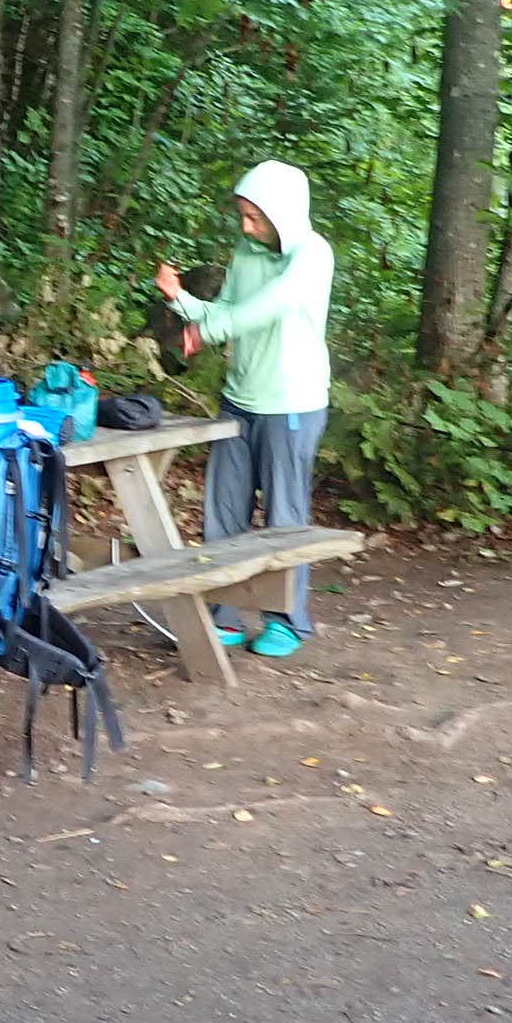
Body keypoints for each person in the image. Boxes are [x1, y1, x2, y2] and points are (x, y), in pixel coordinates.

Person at [154, 160, 333, 659]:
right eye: (243, 215)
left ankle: (287, 622)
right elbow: (229, 310)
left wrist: (204, 330)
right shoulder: (245, 252)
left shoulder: (312, 255)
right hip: (240, 398)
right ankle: (224, 614)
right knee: (223, 512)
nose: (246, 226)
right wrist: (184, 303)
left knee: (284, 516)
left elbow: (266, 308)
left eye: (255, 217)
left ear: (284, 215)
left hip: (291, 403)